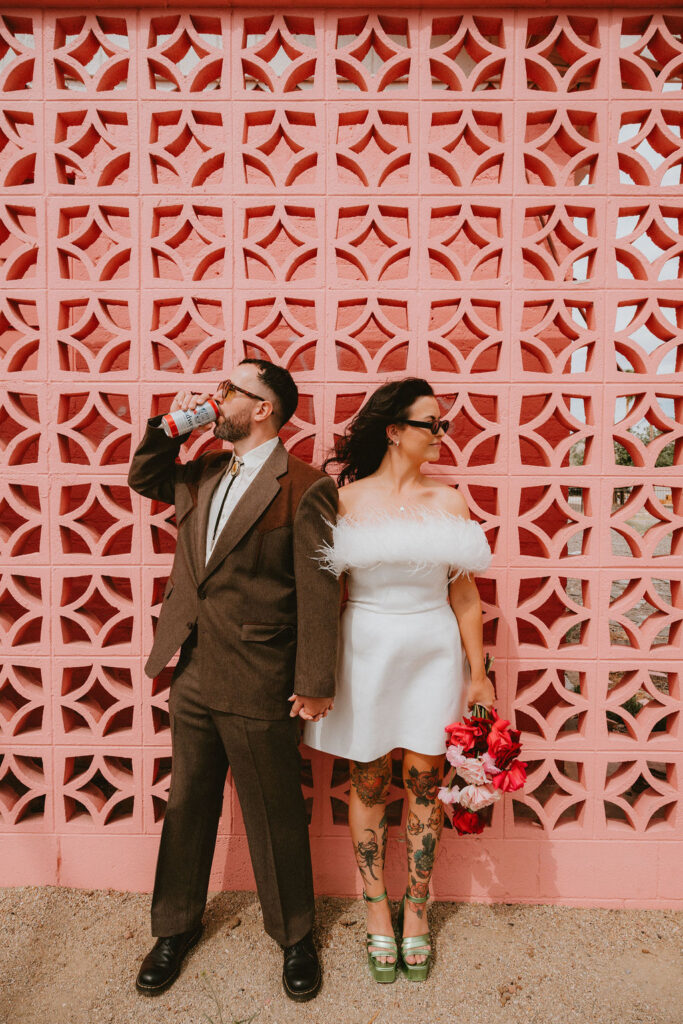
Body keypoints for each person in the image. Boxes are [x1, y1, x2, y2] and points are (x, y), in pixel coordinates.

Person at [128, 359, 339, 1002]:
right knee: (188, 802)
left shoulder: (304, 486)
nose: (216, 399)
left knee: (273, 812)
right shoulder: (201, 470)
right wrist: (172, 425)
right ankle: (174, 929)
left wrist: (314, 680)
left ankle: (296, 937)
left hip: (261, 675)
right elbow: (144, 476)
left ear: (264, 408)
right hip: (191, 668)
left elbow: (320, 592)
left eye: (229, 392)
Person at [304, 378, 494, 983]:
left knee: (424, 782)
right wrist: (317, 672)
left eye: (443, 424)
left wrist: (479, 675)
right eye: (430, 424)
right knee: (367, 783)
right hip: (366, 649)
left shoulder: (451, 502)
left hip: (433, 648)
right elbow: (327, 597)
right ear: (394, 430)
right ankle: (374, 912)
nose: (442, 434)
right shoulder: (345, 499)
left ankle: (417, 910)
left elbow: (464, 594)